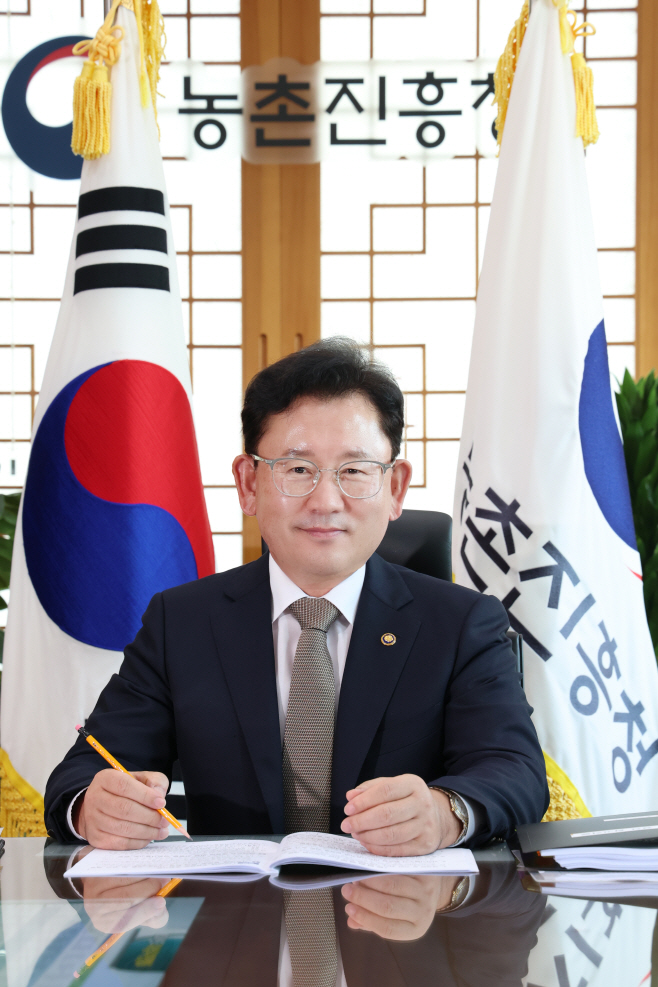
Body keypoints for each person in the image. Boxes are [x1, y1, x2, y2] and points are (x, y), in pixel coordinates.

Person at [44, 337, 548, 851]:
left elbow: (516, 772)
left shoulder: (461, 625)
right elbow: (85, 770)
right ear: (248, 484)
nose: (325, 501)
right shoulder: (181, 623)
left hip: (402, 900)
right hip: (236, 900)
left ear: (395, 488)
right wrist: (90, 806)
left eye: (354, 471)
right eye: (298, 469)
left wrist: (445, 813)